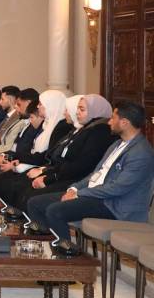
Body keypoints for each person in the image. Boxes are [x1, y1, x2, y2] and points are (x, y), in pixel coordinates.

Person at [25, 101, 154, 253]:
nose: (109, 122)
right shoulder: (117, 144)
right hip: (96, 196)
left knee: (55, 211)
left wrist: (79, 194)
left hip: (115, 205)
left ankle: (68, 257)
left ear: (124, 123)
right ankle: (46, 252)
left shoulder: (141, 153)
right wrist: (74, 189)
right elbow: (95, 174)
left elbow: (117, 188)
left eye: (113, 118)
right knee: (35, 203)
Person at [0, 94, 116, 211]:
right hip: (57, 172)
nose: (76, 112)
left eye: (81, 109)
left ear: (95, 111)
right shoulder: (80, 129)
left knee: (27, 193)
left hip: (72, 178)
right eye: (77, 109)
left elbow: (81, 165)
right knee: (9, 183)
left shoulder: (98, 131)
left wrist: (47, 176)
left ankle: (30, 223)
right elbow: (51, 156)